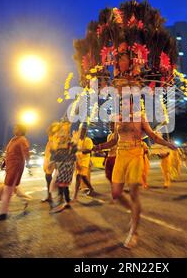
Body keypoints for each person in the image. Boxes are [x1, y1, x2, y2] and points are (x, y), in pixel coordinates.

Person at [91, 92, 177, 248]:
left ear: (133, 105)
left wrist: (168, 144)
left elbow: (153, 136)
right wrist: (98, 147)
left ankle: (134, 232)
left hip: (135, 156)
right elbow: (114, 141)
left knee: (133, 192)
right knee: (116, 193)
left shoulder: (140, 118)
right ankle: (134, 211)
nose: (124, 106)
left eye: (127, 103)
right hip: (120, 156)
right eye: (122, 104)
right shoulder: (117, 120)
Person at [0, 124, 32, 221]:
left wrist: (29, 165)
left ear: (21, 130)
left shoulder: (22, 140)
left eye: (16, 128)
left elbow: (26, 153)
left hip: (16, 167)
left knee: (8, 188)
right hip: (10, 167)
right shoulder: (13, 139)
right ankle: (26, 199)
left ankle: (3, 212)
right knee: (12, 187)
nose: (14, 129)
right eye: (14, 128)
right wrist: (4, 162)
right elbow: (8, 152)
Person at [72, 123, 95, 201]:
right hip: (78, 161)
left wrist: (78, 150)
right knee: (81, 177)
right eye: (80, 130)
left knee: (80, 176)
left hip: (85, 161)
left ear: (85, 132)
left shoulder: (88, 140)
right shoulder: (78, 140)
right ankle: (91, 188)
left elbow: (88, 150)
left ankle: (75, 195)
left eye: (83, 130)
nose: (81, 132)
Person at [41, 123, 60, 203]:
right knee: (48, 176)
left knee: (56, 177)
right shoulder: (51, 136)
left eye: (56, 127)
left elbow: (56, 148)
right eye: (53, 127)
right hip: (49, 157)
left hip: (54, 157)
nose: (54, 129)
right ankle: (50, 196)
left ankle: (60, 195)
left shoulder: (58, 136)